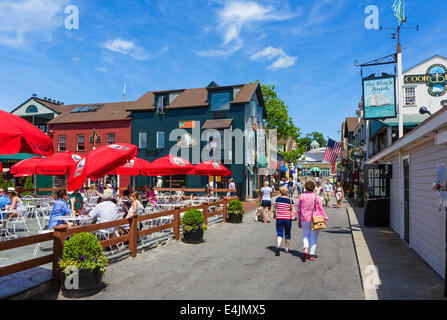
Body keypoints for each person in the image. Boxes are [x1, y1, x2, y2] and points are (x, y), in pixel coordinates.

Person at [297, 180, 329, 261]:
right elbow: (320, 209)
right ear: (314, 188)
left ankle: (305, 249)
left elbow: (299, 210)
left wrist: (299, 220)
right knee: (314, 237)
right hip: (315, 219)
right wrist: (325, 217)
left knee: (305, 235)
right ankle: (311, 254)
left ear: (305, 188)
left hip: (304, 218)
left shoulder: (302, 197)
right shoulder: (316, 197)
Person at [273, 187, 295, 256]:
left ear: (280, 192)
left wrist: (274, 215)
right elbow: (293, 210)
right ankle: (286, 248)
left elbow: (274, 209)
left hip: (279, 218)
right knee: (287, 233)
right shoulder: (290, 200)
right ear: (287, 192)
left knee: (280, 233)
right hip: (287, 219)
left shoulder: (278, 199)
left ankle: (278, 245)